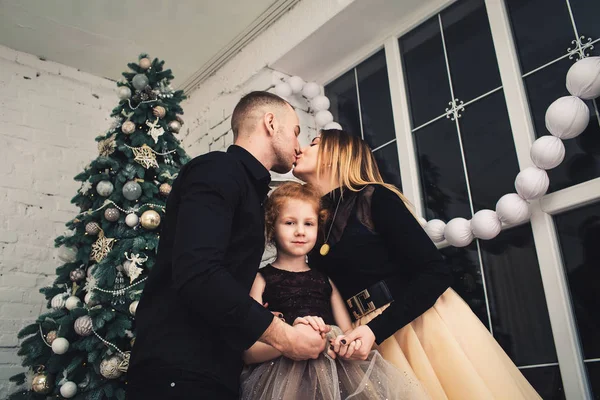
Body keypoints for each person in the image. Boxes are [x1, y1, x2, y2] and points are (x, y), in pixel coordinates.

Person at [292, 129, 542, 400]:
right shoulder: (313, 224)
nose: (301, 149)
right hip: (361, 340)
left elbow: (435, 272)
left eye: (313, 143)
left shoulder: (375, 198)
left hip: (415, 328)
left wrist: (375, 330)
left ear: (336, 155)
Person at [127, 92, 329, 400]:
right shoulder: (218, 169)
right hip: (180, 370)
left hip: (213, 371)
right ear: (271, 123)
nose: (298, 146)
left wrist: (275, 320)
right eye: (296, 132)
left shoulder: (248, 188)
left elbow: (221, 287)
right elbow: (199, 274)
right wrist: (286, 338)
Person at [240, 182, 429, 400]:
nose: (300, 231)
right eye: (290, 222)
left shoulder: (325, 280)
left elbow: (347, 334)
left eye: (309, 224)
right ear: (272, 228)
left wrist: (339, 345)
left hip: (335, 377)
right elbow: (249, 352)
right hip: (280, 384)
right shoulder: (261, 279)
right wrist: (289, 339)